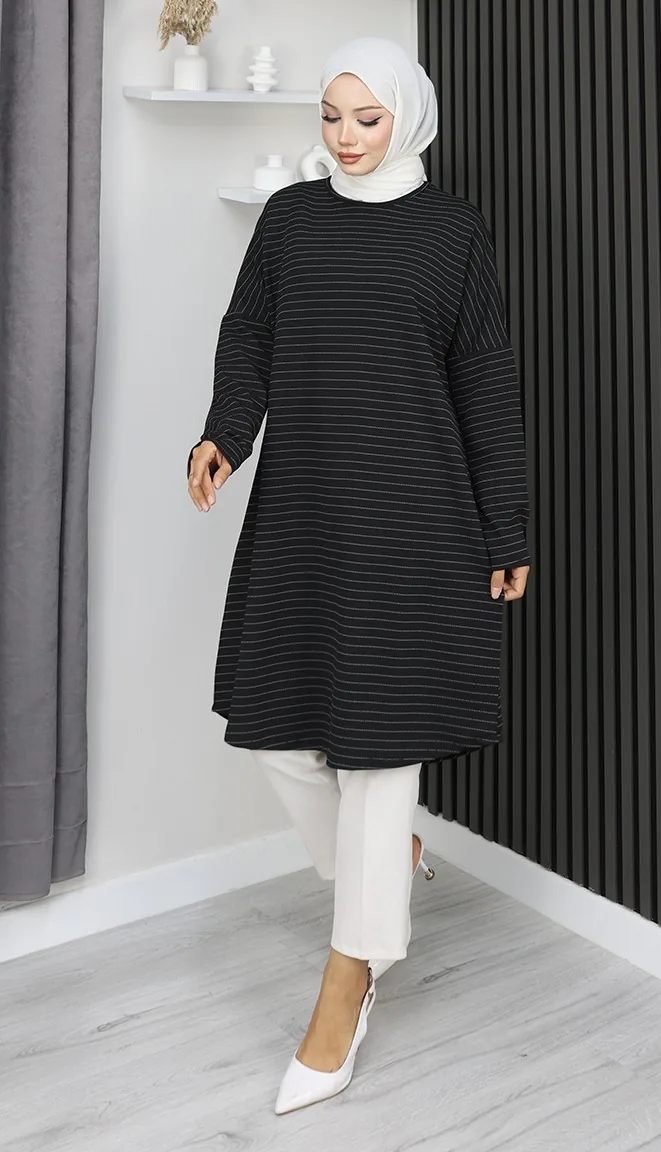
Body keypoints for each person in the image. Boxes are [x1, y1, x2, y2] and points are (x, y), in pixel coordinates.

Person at [187, 36, 531, 1115]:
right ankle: (380, 869)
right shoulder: (291, 221)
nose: (343, 137)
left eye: (365, 119)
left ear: (407, 119)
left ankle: (348, 982)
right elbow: (248, 333)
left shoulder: (452, 233)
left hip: (418, 520)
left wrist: (506, 527)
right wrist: (224, 433)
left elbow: (484, 382)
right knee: (275, 730)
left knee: (381, 752)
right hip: (305, 511)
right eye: (330, 117)